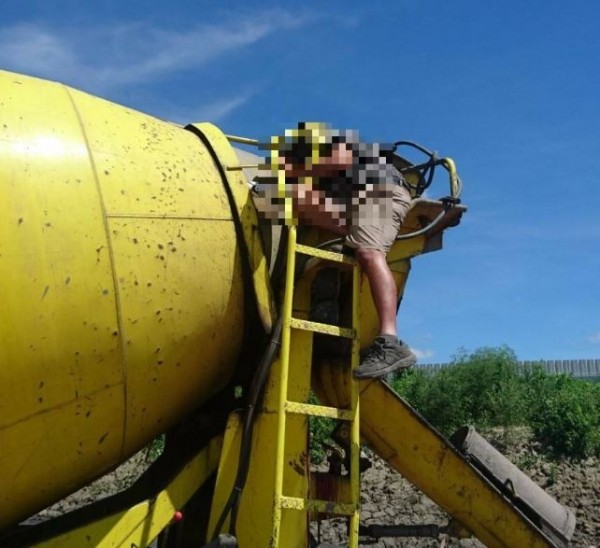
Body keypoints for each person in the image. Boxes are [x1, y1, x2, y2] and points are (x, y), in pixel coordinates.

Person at [263, 122, 417, 379]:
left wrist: (291, 171)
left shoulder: (338, 149)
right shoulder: (321, 184)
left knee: (368, 252)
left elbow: (336, 159)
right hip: (357, 202)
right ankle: (330, 292)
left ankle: (390, 342)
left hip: (381, 191)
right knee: (290, 196)